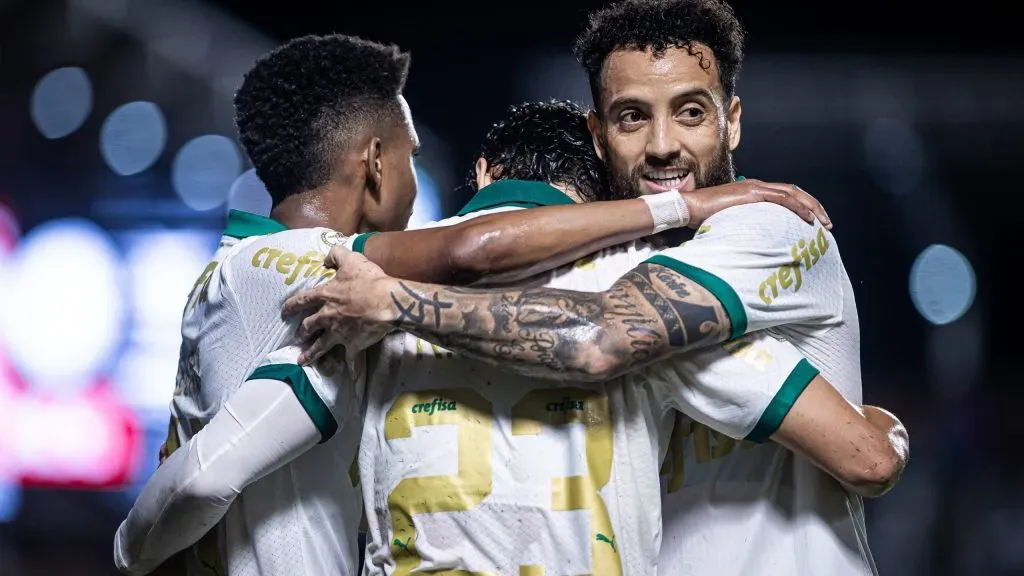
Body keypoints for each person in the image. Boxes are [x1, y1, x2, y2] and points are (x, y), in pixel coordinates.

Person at [113, 34, 816, 575]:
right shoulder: (335, 283)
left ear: (482, 172)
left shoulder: (290, 290)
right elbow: (472, 250)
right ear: (376, 163)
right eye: (411, 156)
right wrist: (678, 207)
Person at [285, 2, 909, 574]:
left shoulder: (767, 225)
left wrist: (397, 303)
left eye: (691, 112)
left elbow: (603, 336)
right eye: (633, 117)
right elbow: (868, 453)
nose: (662, 145)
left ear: (733, 122)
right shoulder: (635, 268)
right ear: (598, 134)